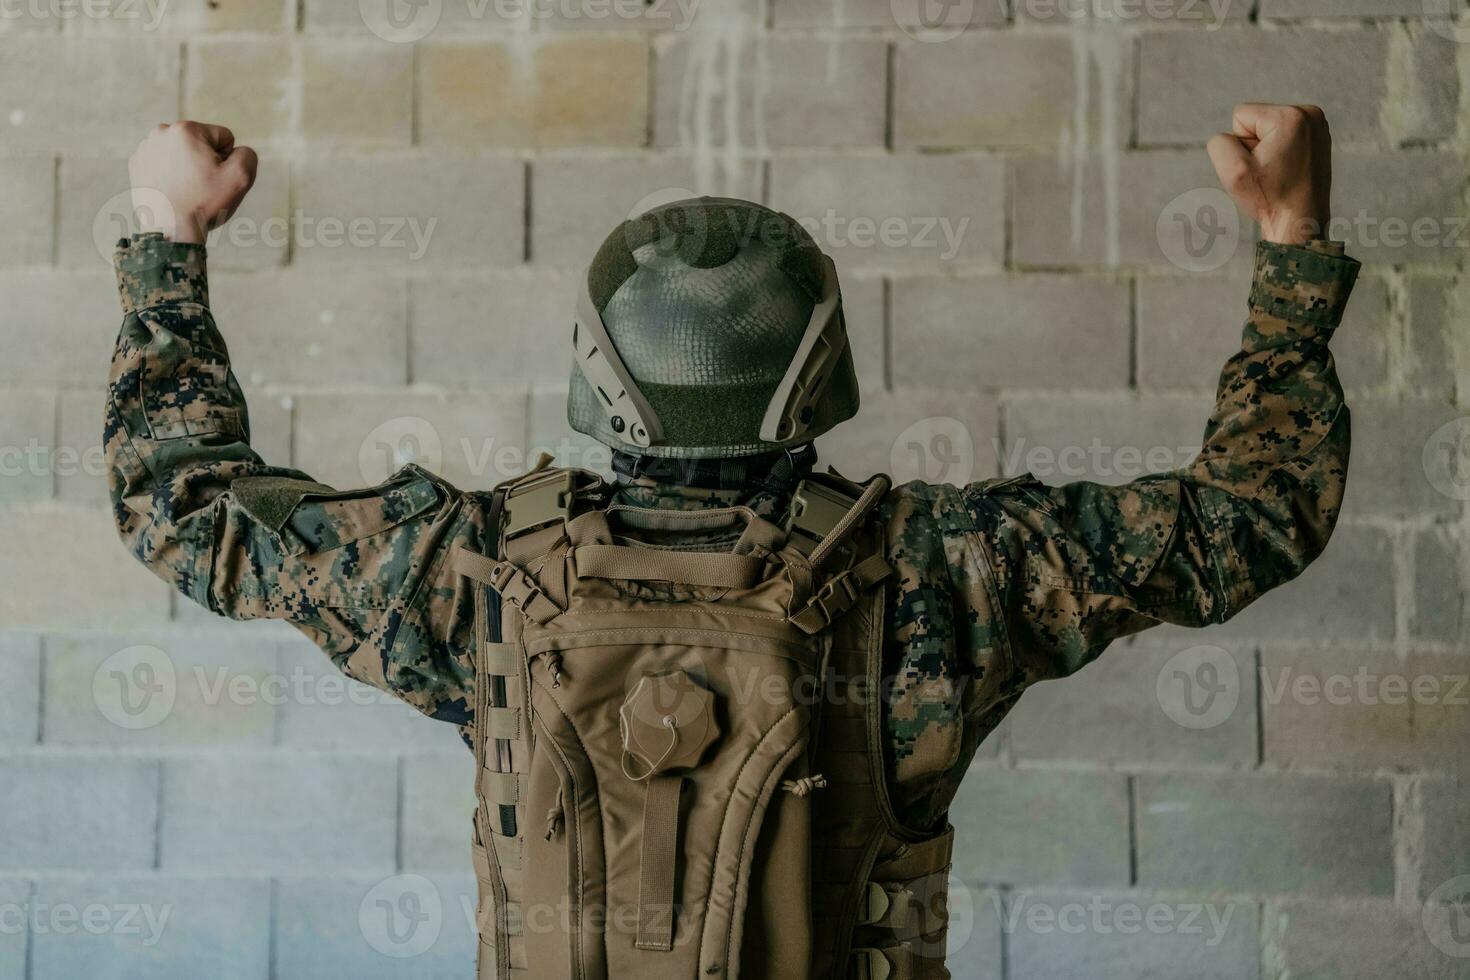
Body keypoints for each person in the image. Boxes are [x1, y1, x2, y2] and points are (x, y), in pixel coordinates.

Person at [107, 103, 1357, 979]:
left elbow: (186, 505)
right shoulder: (944, 567)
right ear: (824, 372)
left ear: (600, 374)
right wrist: (1291, 238)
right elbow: (1252, 513)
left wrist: (170, 229)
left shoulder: (471, 571)